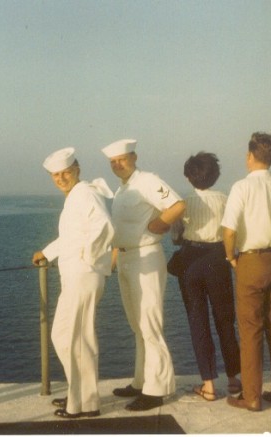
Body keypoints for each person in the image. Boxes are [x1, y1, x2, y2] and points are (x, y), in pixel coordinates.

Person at [101, 139, 185, 411]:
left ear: (134, 157)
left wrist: (159, 223)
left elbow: (177, 204)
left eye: (122, 159)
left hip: (145, 256)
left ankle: (157, 389)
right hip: (125, 257)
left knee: (149, 324)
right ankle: (141, 381)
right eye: (113, 162)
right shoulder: (123, 189)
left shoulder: (147, 180)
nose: (117, 165)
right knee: (137, 325)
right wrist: (111, 262)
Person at [32, 147, 114, 419]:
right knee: (75, 338)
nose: (61, 178)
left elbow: (104, 226)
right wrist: (47, 252)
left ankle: (81, 404)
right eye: (56, 174)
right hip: (79, 275)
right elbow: (72, 235)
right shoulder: (76, 196)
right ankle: (82, 396)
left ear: (77, 169)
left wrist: (88, 258)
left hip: (83, 273)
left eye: (65, 172)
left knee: (72, 337)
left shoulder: (85, 193)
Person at [169, 152, 241, 401]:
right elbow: (233, 231)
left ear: (188, 177)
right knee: (225, 319)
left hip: (190, 260)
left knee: (197, 321)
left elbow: (176, 236)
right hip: (218, 260)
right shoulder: (225, 199)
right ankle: (233, 379)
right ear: (216, 175)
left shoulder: (183, 202)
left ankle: (208, 385)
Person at [222, 132, 271, 412]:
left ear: (250, 156)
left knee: (250, 330)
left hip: (251, 260)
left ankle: (252, 396)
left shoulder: (241, 187)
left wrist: (230, 257)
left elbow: (229, 229)